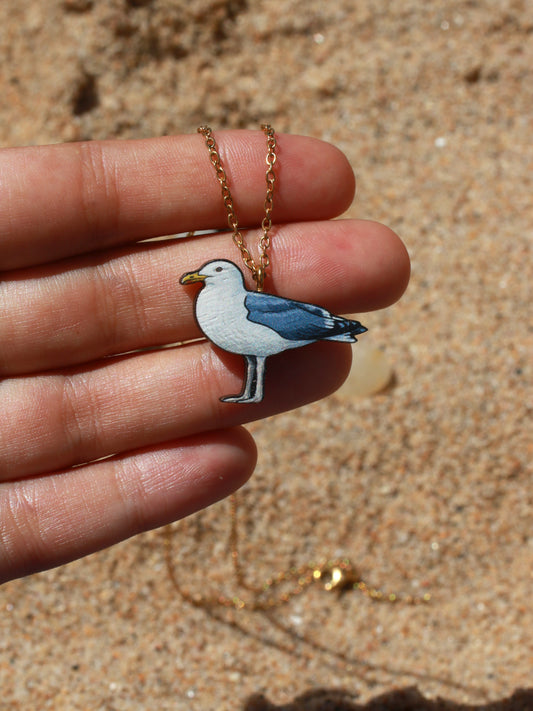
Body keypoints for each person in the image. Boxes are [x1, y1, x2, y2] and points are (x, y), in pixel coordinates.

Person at [0, 131, 410, 584]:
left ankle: (253, 389)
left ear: (227, 277)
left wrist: (333, 325)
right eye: (205, 272)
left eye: (211, 272)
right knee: (253, 358)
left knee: (258, 355)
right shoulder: (215, 304)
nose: (200, 276)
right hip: (261, 330)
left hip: (287, 329)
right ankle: (249, 390)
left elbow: (269, 326)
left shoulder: (243, 305)